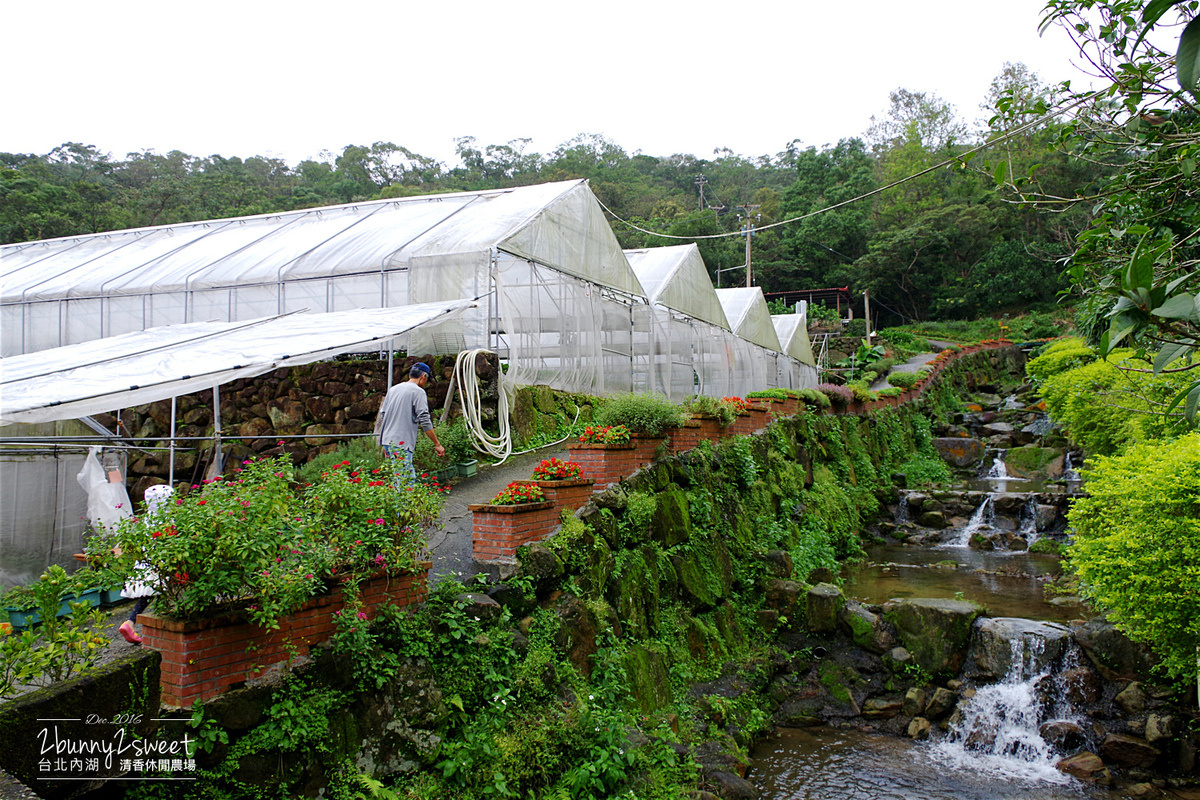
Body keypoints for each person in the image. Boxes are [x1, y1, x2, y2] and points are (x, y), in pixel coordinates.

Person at [375, 362, 444, 484]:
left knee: (399, 478)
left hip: (388, 440)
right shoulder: (418, 392)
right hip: (401, 442)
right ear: (423, 376)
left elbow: (383, 415)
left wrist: (384, 442)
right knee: (406, 480)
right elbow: (424, 419)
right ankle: (402, 503)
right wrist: (437, 444)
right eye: (426, 380)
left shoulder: (393, 389)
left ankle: (401, 502)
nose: (425, 383)